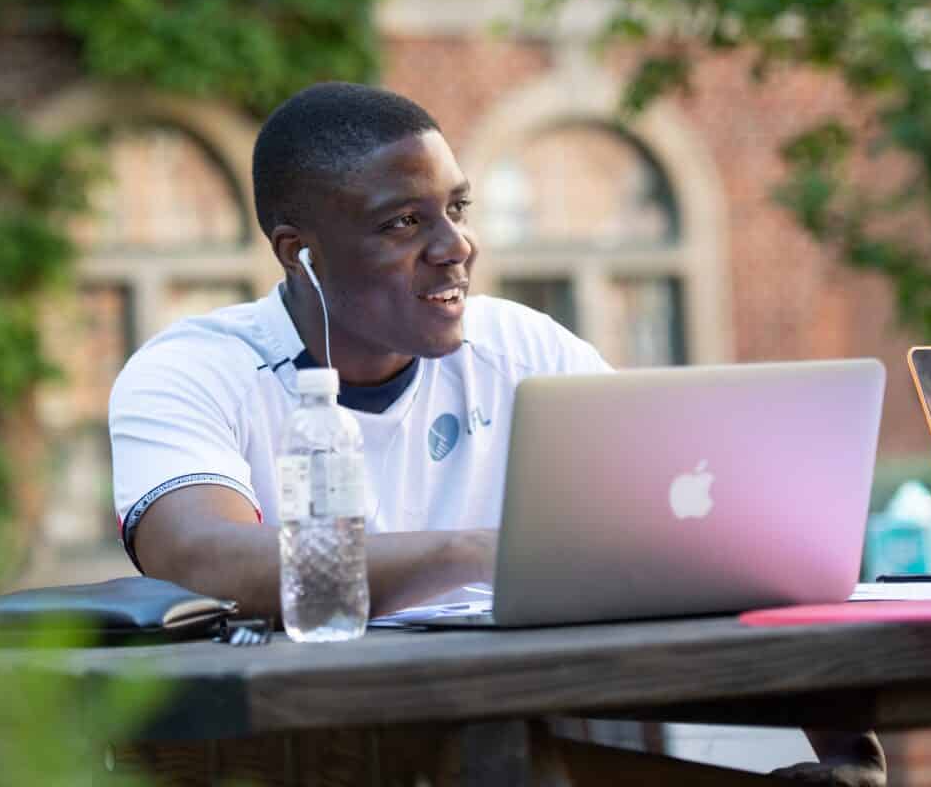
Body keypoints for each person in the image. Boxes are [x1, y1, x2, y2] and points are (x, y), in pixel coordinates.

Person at [110, 81, 885, 785]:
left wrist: (843, 743)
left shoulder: (522, 349)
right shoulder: (194, 370)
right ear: (298, 253)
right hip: (295, 750)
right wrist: (489, 552)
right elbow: (205, 558)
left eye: (458, 208)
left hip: (504, 725)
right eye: (404, 222)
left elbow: (697, 527)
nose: (455, 246)